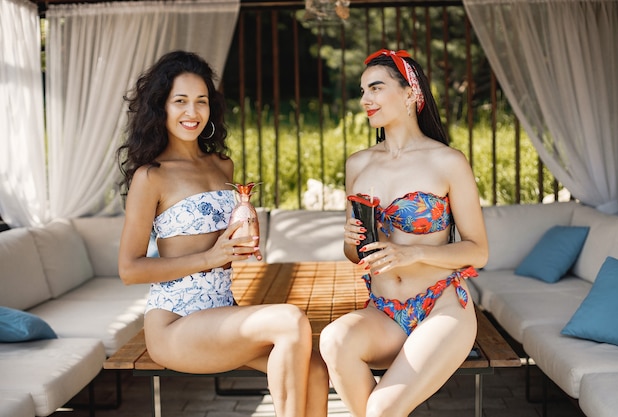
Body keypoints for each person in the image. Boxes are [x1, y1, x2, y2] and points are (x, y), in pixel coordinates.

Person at [116, 50, 328, 417]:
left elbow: (224, 239)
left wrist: (242, 241)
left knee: (315, 369)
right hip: (175, 323)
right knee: (290, 320)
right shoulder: (151, 176)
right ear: (161, 108)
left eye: (201, 101)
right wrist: (208, 258)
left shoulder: (221, 165)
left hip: (222, 313)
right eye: (179, 101)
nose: (192, 112)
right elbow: (130, 269)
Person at [318, 49, 489, 417]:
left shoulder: (447, 161)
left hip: (440, 307)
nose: (365, 99)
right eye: (363, 91)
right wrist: (350, 242)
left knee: (380, 410)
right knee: (332, 339)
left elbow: (478, 252)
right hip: (383, 311)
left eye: (376, 88)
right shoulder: (358, 163)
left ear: (411, 93)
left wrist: (413, 253)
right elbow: (358, 254)